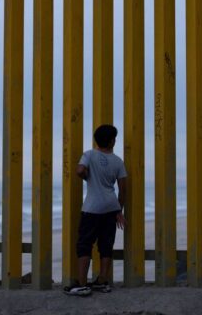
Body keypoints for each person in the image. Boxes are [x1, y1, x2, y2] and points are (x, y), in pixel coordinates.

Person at [63, 124, 127, 296]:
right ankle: (102, 281)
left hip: (92, 207)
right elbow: (123, 189)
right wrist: (119, 211)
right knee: (106, 244)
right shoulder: (118, 161)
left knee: (85, 243)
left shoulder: (89, 155)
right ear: (112, 140)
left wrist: (87, 177)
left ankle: (82, 284)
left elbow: (79, 170)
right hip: (111, 206)